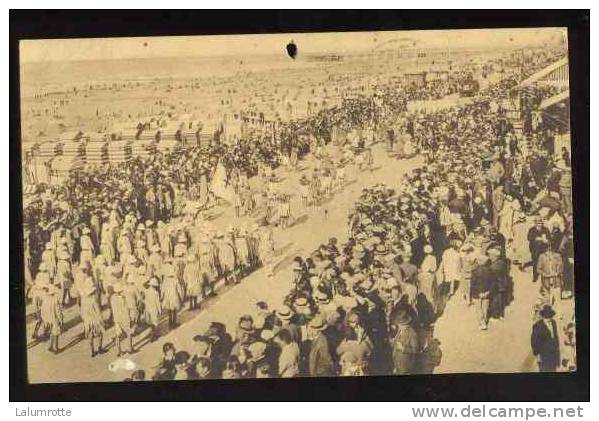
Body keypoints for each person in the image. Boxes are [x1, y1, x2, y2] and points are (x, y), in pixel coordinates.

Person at [390, 308, 420, 375]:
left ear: (405, 323)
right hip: (397, 365)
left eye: (399, 324)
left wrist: (403, 348)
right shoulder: (400, 330)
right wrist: (393, 342)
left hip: (406, 367)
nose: (398, 326)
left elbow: (416, 350)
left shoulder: (412, 333)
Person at [531, 305, 560, 372]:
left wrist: (557, 357)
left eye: (550, 316)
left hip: (553, 355)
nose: (549, 319)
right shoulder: (537, 326)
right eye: (547, 317)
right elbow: (534, 341)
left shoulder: (554, 323)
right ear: (543, 316)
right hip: (543, 355)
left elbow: (556, 338)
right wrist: (537, 355)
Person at [79, 284, 105, 357]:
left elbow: (82, 312)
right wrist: (101, 320)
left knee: (90, 335)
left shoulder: (83, 301)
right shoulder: (93, 300)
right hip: (95, 320)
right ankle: (100, 347)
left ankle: (92, 351)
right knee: (100, 333)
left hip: (87, 320)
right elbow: (98, 311)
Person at [109, 283, 134, 356]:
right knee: (129, 333)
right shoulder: (123, 298)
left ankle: (118, 350)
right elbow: (126, 308)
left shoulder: (112, 298)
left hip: (116, 318)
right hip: (124, 318)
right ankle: (129, 349)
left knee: (118, 335)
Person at [471, 254, 492, 330]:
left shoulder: (474, 271)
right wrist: (488, 291)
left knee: (478, 308)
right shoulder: (489, 270)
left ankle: (481, 322)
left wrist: (477, 293)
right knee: (485, 307)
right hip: (487, 292)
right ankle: (485, 321)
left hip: (477, 293)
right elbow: (492, 282)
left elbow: (473, 284)